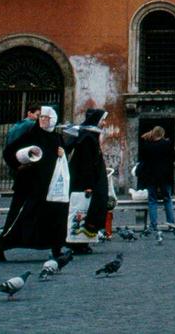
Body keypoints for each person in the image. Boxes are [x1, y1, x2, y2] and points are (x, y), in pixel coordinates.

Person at [0, 106, 69, 261]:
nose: (42, 120)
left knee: (54, 218)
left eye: (46, 118)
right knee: (21, 217)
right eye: (41, 117)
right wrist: (19, 165)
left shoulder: (57, 138)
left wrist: (63, 154)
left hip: (50, 188)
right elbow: (9, 152)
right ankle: (1, 245)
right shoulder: (31, 135)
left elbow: (63, 162)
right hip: (29, 187)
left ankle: (56, 248)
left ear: (53, 120)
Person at [65, 108, 110, 253]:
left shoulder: (90, 135)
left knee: (86, 211)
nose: (104, 123)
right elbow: (86, 164)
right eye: (103, 120)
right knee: (82, 211)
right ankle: (77, 243)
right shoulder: (87, 138)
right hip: (84, 184)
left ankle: (82, 242)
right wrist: (88, 185)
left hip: (88, 182)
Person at [138, 126, 175, 230]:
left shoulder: (147, 145)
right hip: (165, 176)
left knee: (152, 200)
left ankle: (153, 225)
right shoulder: (167, 144)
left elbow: (143, 161)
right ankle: (171, 223)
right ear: (162, 134)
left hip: (151, 177)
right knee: (167, 199)